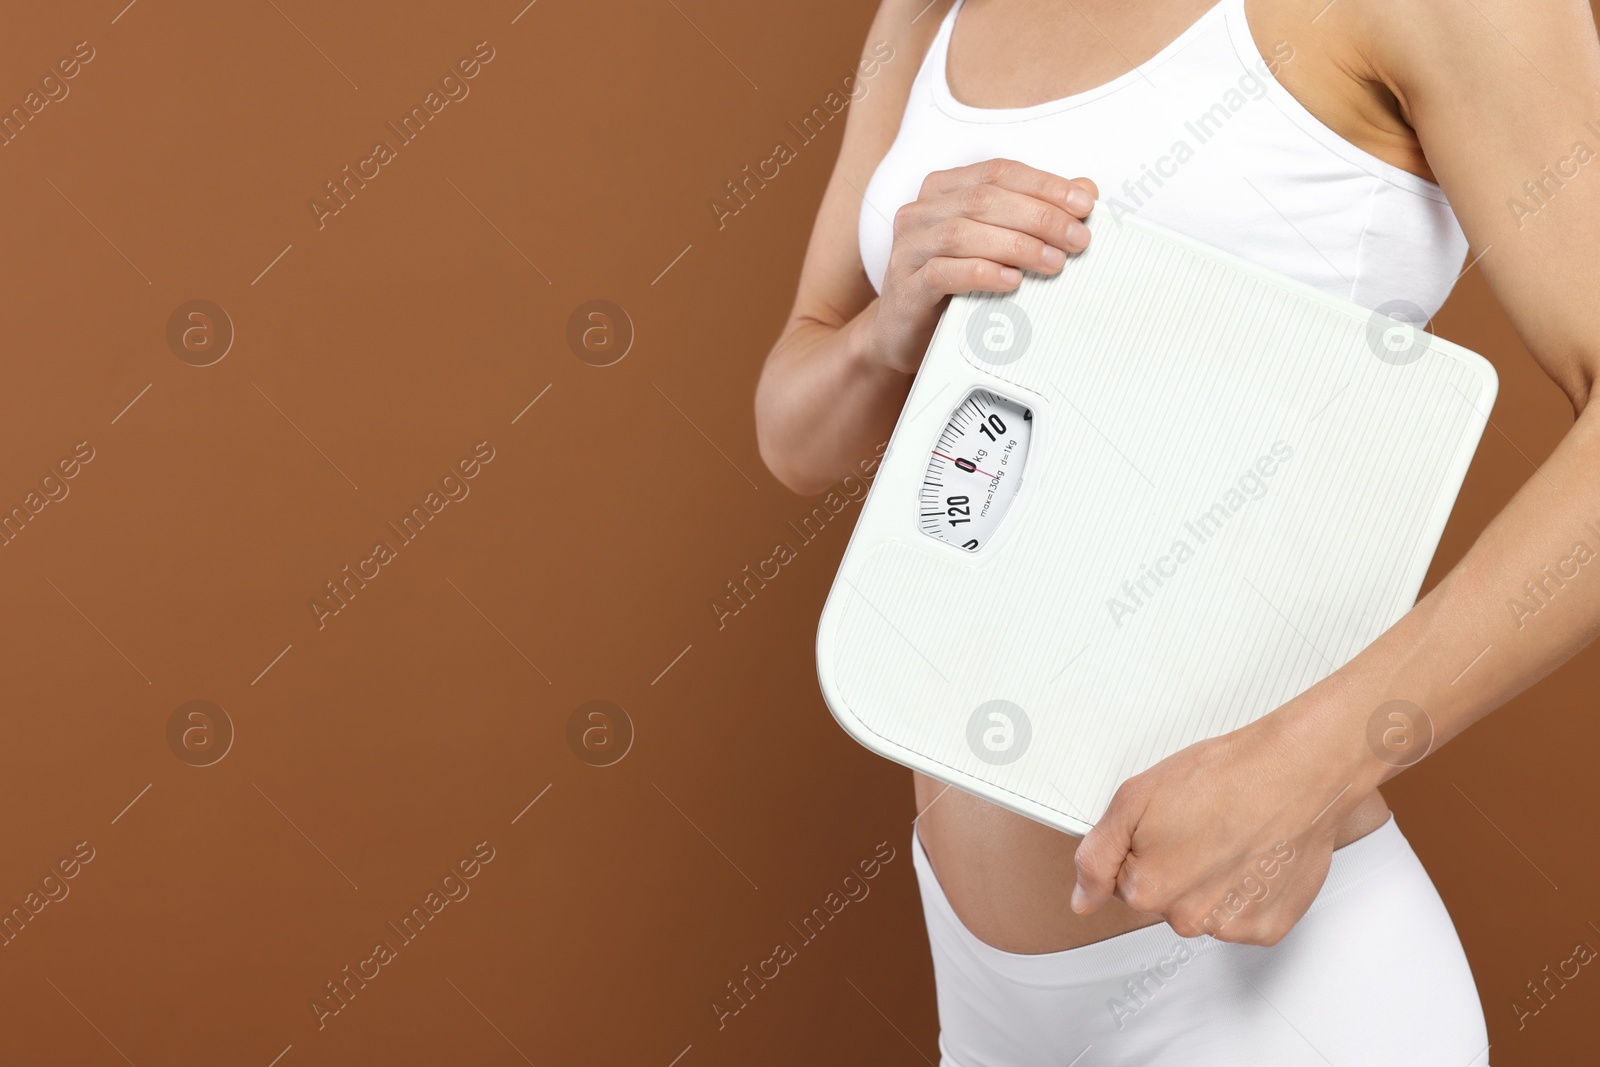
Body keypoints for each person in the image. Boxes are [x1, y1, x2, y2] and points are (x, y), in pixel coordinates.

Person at [754, 0, 1600, 1062]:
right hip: (987, 1002)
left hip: (1269, 1000)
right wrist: (891, 331)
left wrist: (1321, 763)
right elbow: (797, 433)